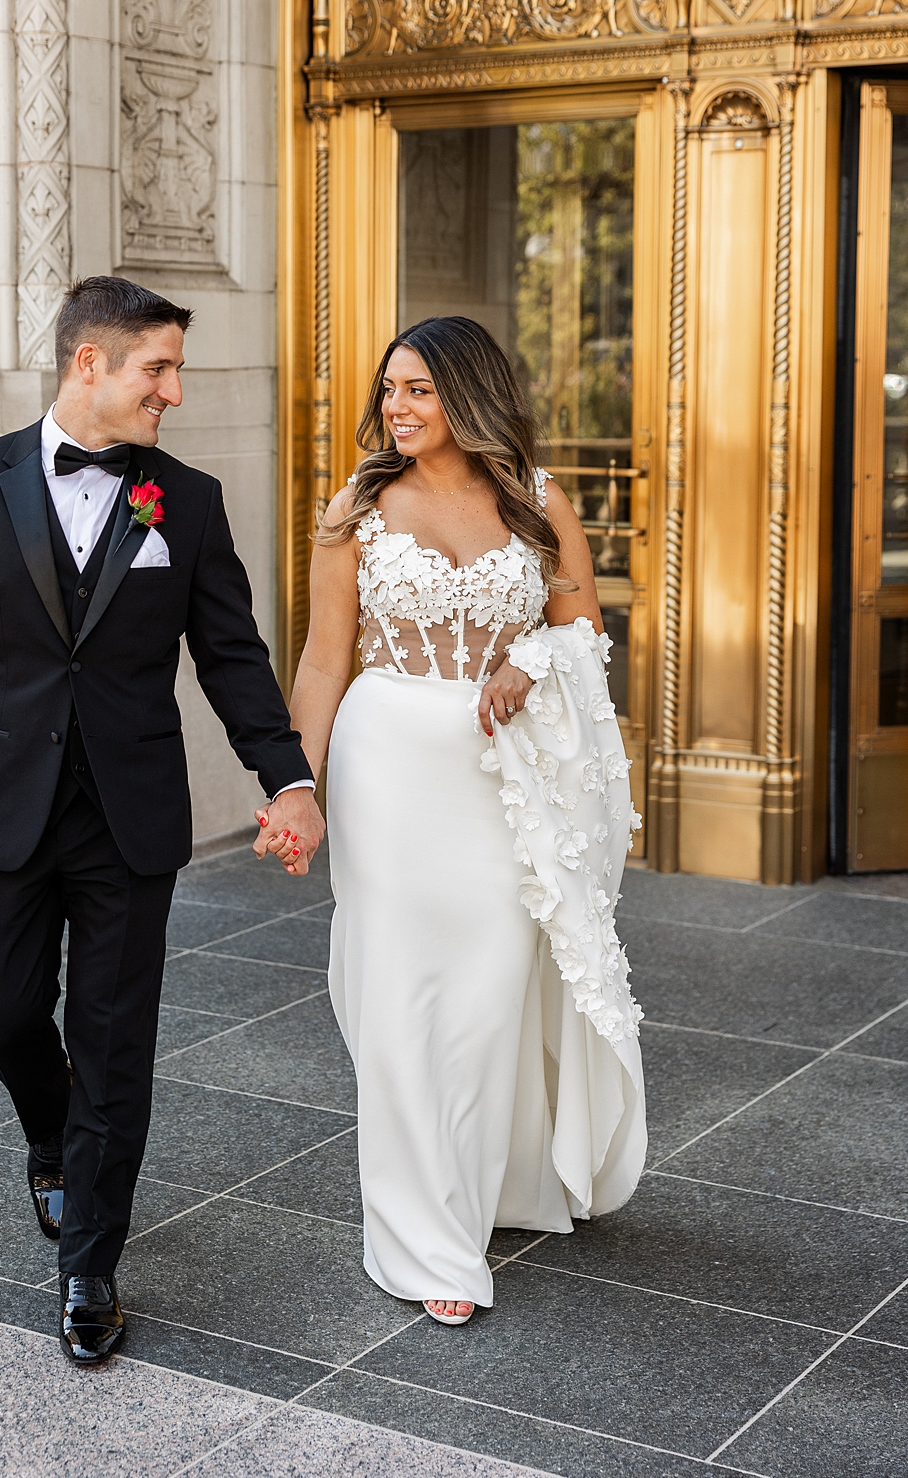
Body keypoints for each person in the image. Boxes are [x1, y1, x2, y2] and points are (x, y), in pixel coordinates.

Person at [0, 277, 324, 1365]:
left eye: (175, 371)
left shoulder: (189, 500)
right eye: (156, 369)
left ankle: (89, 1262)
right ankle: (51, 1132)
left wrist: (288, 777)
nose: (172, 392)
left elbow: (230, 656)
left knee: (116, 1043)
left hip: (130, 815)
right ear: (90, 363)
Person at [261, 316, 646, 1324]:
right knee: (400, 1002)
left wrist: (531, 661)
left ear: (470, 395)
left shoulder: (538, 500)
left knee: (482, 1001)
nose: (397, 407)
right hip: (387, 765)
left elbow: (582, 631)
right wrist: (295, 788)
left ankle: (496, 1185)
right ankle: (426, 1242)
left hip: (497, 776)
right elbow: (320, 661)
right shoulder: (356, 507)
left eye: (420, 389)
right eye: (391, 388)